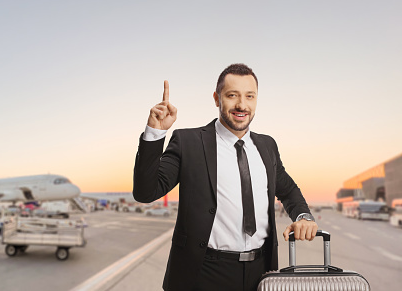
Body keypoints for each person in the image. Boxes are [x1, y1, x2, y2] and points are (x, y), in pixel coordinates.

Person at [133, 64, 318, 291]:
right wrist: (155, 133)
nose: (242, 105)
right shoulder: (188, 142)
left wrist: (303, 216)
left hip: (261, 272)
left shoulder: (267, 145)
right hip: (204, 273)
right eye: (232, 95)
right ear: (216, 98)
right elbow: (145, 192)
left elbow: (288, 190)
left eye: (249, 96)